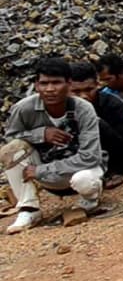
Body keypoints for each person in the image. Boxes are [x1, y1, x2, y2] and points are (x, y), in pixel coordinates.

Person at [2, 58, 105, 234]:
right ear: (36, 85)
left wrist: (41, 170)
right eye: (44, 83)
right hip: (41, 167)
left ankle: (90, 200)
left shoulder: (84, 109)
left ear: (69, 84)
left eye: (56, 83)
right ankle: (29, 209)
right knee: (11, 150)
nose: (50, 89)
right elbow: (10, 139)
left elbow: (91, 156)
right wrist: (40, 134)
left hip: (76, 170)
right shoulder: (23, 108)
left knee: (84, 181)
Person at [70, 61, 123, 178]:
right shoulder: (60, 106)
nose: (83, 96)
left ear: (97, 85)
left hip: (111, 160)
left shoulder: (113, 105)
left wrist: (95, 121)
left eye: (88, 90)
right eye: (76, 92)